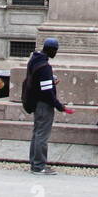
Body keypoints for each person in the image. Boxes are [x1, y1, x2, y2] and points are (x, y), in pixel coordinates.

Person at [22, 38, 73, 175]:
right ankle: (39, 166)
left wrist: (50, 80)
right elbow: (47, 92)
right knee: (42, 135)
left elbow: (38, 82)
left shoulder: (34, 60)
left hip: (35, 102)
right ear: (51, 49)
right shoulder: (45, 67)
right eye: (55, 50)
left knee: (37, 133)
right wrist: (60, 106)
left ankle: (34, 163)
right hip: (43, 105)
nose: (56, 52)